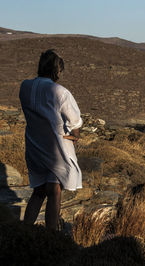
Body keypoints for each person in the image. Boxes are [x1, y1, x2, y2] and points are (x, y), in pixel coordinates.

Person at [20, 49, 83, 230]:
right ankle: (52, 238)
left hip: (34, 143)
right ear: (56, 70)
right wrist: (75, 136)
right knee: (54, 190)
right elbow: (75, 120)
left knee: (39, 190)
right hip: (56, 146)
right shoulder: (59, 92)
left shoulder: (25, 86)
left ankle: (25, 232)